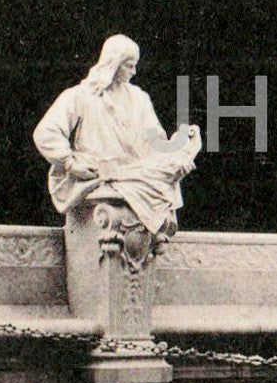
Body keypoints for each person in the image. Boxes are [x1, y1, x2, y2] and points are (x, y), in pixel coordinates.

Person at [32, 35, 200, 236]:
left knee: (168, 168)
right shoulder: (80, 96)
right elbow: (46, 132)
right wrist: (70, 163)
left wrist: (179, 144)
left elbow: (155, 144)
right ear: (114, 63)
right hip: (97, 171)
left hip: (133, 169)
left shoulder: (140, 99)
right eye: (129, 66)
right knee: (148, 180)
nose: (134, 71)